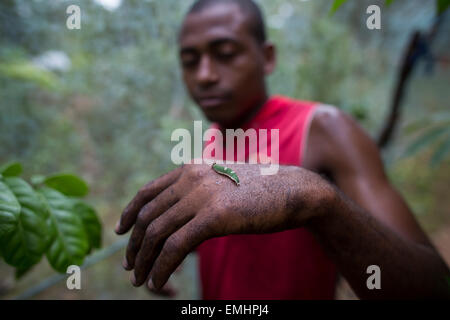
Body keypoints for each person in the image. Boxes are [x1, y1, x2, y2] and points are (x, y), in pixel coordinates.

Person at [115, 0, 450, 299]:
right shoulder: (212, 140)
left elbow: (434, 286)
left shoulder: (324, 128)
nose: (204, 75)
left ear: (268, 57)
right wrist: (170, 247)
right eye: (190, 61)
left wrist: (316, 199)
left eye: (226, 54)